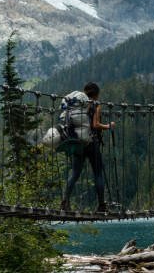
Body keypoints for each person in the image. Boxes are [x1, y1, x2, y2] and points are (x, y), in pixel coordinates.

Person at [61, 82, 115, 213]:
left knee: (74, 173)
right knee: (98, 174)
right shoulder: (96, 105)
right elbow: (95, 125)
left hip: (78, 142)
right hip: (92, 143)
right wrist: (108, 126)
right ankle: (101, 205)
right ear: (96, 94)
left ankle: (64, 202)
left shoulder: (77, 105)